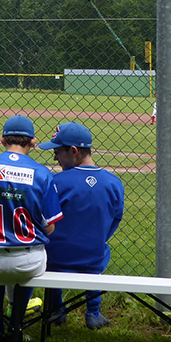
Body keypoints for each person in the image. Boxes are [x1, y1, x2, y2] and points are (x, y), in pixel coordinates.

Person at [0, 115, 63, 342]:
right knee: (32, 259)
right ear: (33, 142)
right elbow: (50, 226)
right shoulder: (42, 173)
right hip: (29, 261)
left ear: (2, 140)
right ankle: (16, 326)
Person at [39, 122, 124, 330]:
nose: (55, 159)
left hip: (56, 259)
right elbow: (115, 219)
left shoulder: (56, 181)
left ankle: (57, 309)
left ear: (74, 151)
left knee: (50, 247)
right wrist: (97, 238)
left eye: (57, 152)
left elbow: (45, 219)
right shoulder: (114, 183)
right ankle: (93, 312)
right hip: (94, 258)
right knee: (99, 249)